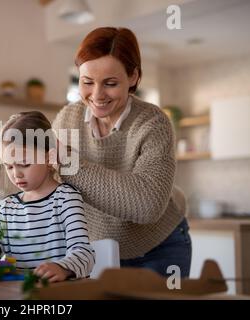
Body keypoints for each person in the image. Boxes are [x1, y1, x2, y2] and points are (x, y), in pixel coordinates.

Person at [52, 27, 191, 277]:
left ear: (134, 77)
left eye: (110, 83)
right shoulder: (66, 119)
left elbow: (147, 206)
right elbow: (49, 183)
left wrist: (67, 162)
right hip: (96, 251)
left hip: (158, 249)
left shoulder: (153, 123)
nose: (97, 95)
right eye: (87, 82)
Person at [0, 111, 94, 282]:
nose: (17, 174)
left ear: (49, 157)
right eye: (9, 167)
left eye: (24, 164)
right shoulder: (8, 208)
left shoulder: (66, 198)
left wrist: (62, 268)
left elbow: (83, 254)